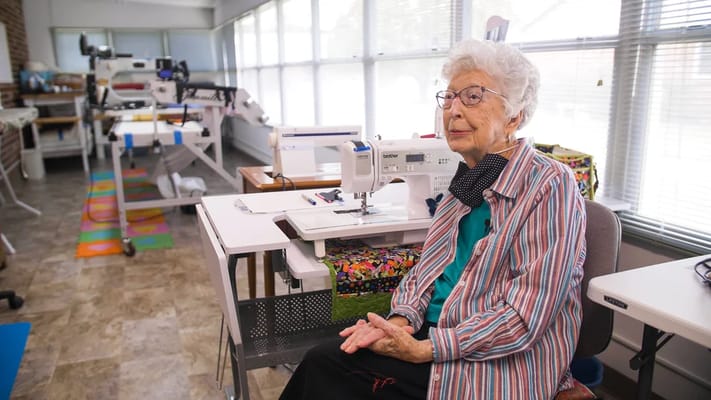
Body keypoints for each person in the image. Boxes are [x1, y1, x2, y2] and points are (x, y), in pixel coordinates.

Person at [280, 39, 587, 400]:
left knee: (327, 369)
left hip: (496, 360)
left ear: (514, 116)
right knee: (328, 363)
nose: (453, 110)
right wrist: (400, 322)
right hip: (433, 333)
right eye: (450, 97)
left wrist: (426, 349)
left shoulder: (550, 185)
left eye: (473, 96)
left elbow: (526, 317)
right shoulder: (468, 181)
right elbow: (427, 270)